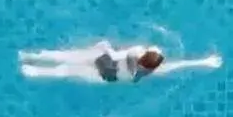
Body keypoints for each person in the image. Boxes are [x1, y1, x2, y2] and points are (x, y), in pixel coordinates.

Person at [19, 41, 222, 83]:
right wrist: (205, 61)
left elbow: (112, 52)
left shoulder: (137, 51)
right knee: (66, 71)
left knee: (64, 57)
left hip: (104, 59)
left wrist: (103, 46)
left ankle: (31, 56)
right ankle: (33, 71)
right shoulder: (147, 73)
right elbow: (180, 65)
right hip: (108, 75)